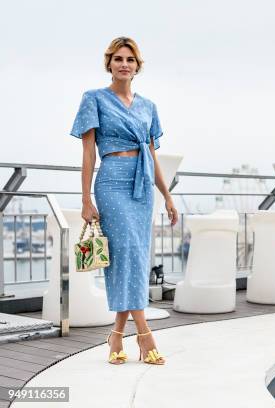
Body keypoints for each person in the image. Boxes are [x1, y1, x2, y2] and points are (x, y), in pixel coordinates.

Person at [70, 36, 178, 365]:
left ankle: (116, 336)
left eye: (130, 60)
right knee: (125, 253)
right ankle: (145, 335)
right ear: (110, 64)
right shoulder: (94, 99)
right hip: (112, 179)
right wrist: (86, 198)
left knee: (135, 256)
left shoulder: (149, 107)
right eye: (118, 59)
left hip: (142, 184)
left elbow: (153, 156)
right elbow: (88, 153)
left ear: (137, 66)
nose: (124, 64)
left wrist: (167, 195)